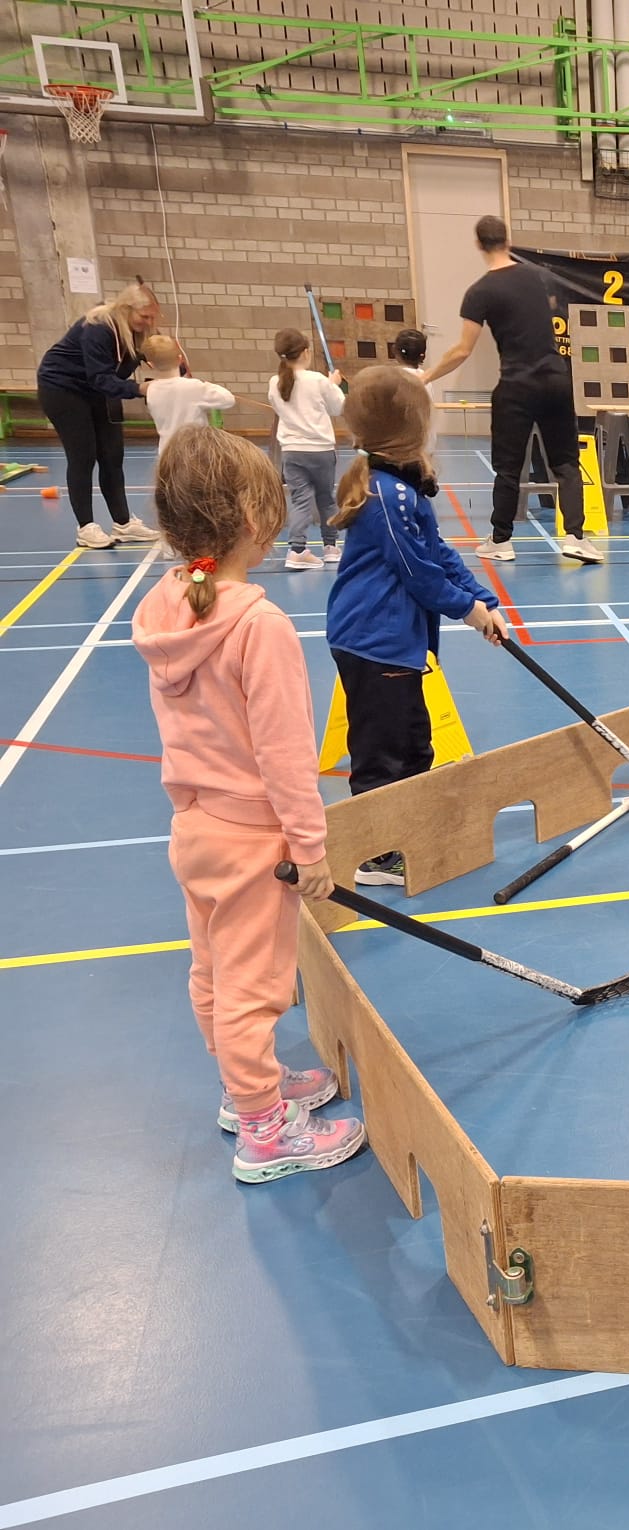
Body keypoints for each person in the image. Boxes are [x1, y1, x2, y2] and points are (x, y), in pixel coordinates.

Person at [130, 426, 366, 1183]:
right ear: (254, 519)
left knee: (211, 971)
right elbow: (286, 756)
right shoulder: (258, 626)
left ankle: (246, 1088)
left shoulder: (168, 603)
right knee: (252, 989)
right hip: (251, 842)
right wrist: (309, 849)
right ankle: (264, 1129)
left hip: (194, 829)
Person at [325, 368, 508, 886]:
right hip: (374, 641)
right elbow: (418, 572)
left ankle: (406, 831)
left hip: (395, 643)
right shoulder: (387, 495)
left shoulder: (401, 486)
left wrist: (484, 600)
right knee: (382, 753)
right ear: (413, 427)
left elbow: (438, 552)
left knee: (414, 743)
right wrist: (469, 611)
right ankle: (374, 855)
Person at [419, 216, 601, 565]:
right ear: (509, 240)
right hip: (556, 380)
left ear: (478, 244)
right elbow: (549, 308)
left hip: (517, 387)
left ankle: (500, 540)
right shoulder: (540, 277)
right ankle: (576, 537)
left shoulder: (479, 292)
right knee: (566, 463)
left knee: (508, 468)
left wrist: (427, 376)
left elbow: (462, 350)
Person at [33, 281, 164, 548]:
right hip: (63, 388)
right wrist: (139, 389)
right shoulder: (99, 327)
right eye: (145, 316)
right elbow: (101, 378)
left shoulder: (136, 331)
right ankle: (86, 527)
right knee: (83, 456)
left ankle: (123, 523)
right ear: (126, 309)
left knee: (112, 455)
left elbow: (121, 371)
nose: (149, 323)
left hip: (98, 390)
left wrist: (165, 364)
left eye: (153, 317)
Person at [268, 328, 348, 570]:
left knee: (300, 501)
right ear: (305, 352)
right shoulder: (318, 380)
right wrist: (334, 385)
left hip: (292, 451)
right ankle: (331, 547)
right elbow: (339, 407)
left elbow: (279, 407)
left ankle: (297, 550)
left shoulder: (275, 382)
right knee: (326, 499)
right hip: (321, 450)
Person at [138, 335, 234, 446]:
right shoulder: (194, 387)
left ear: (150, 364)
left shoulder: (151, 390)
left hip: (167, 450)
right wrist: (207, 386)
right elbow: (228, 400)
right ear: (180, 359)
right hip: (194, 450)